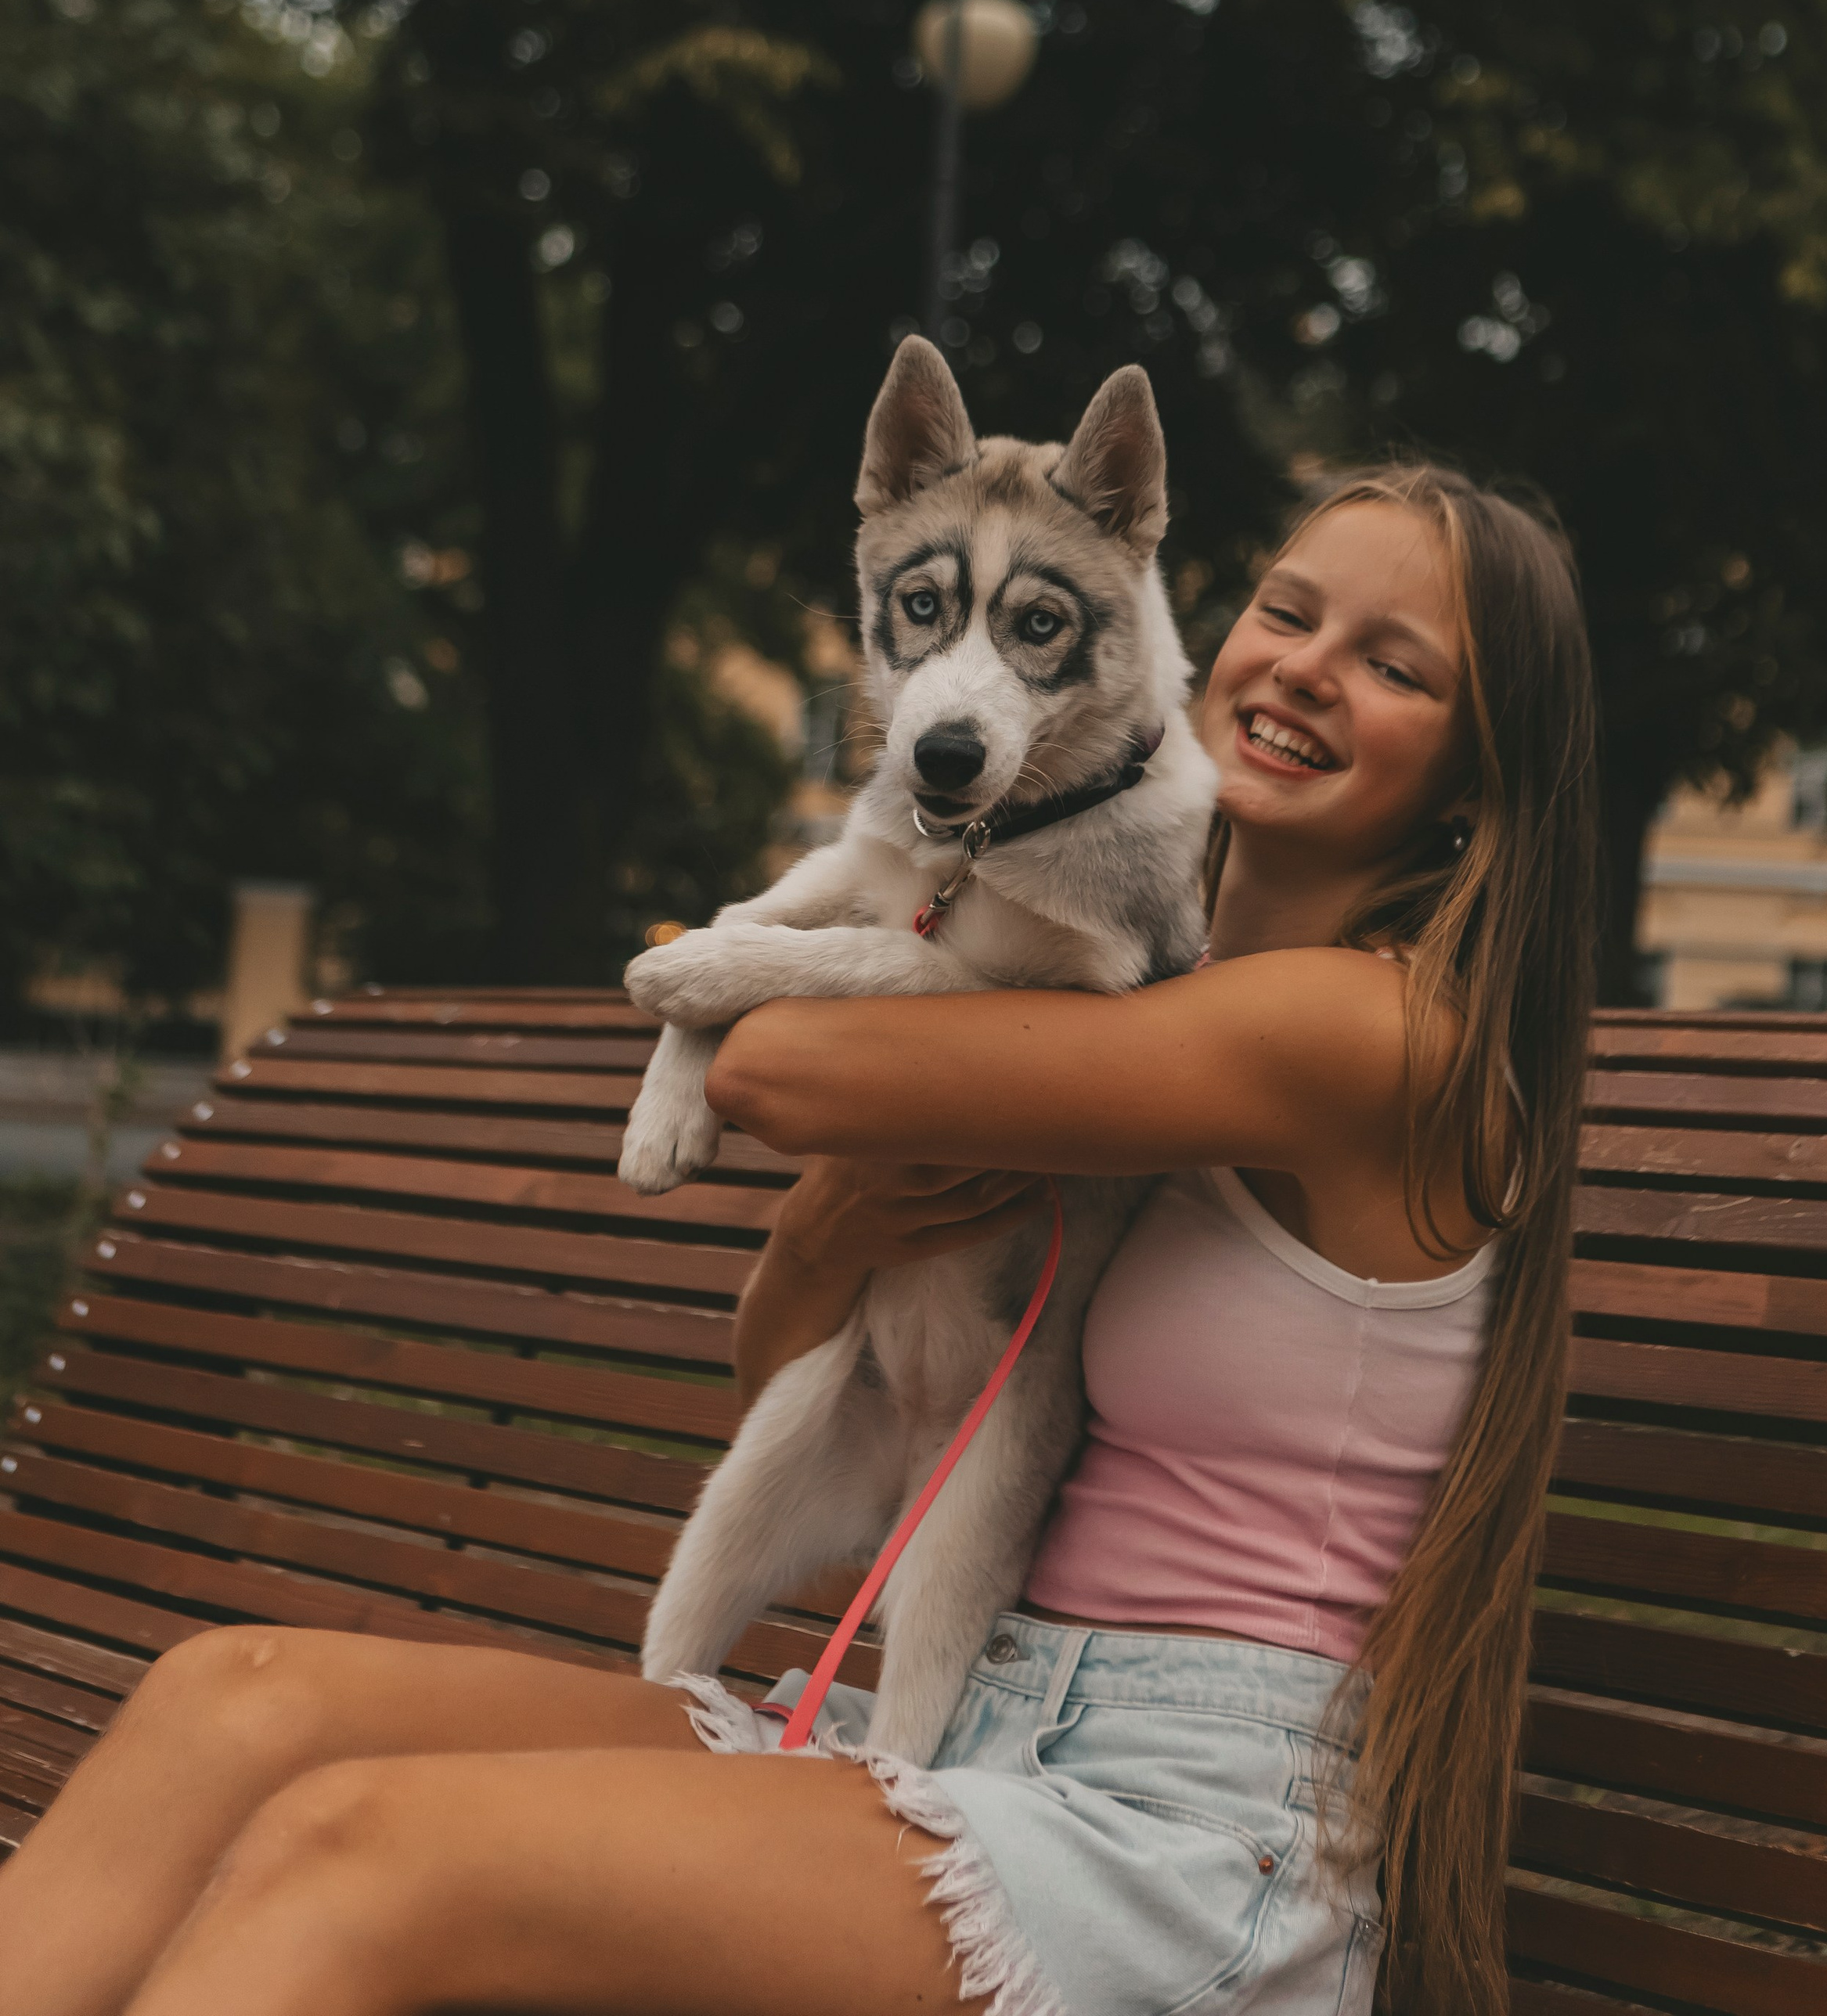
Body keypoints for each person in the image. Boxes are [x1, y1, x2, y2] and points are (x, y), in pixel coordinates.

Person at [0, 463, 1597, 2016]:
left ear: (1477, 777)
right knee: (236, 1709)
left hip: (1179, 1838)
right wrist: (836, 1220)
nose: (1304, 670)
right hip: (966, 1715)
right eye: (1285, 611)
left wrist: (809, 992)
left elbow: (774, 1063)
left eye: (1393, 666)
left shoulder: (1368, 1036)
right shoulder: (1130, 974)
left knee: (361, 1855)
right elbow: (784, 1354)